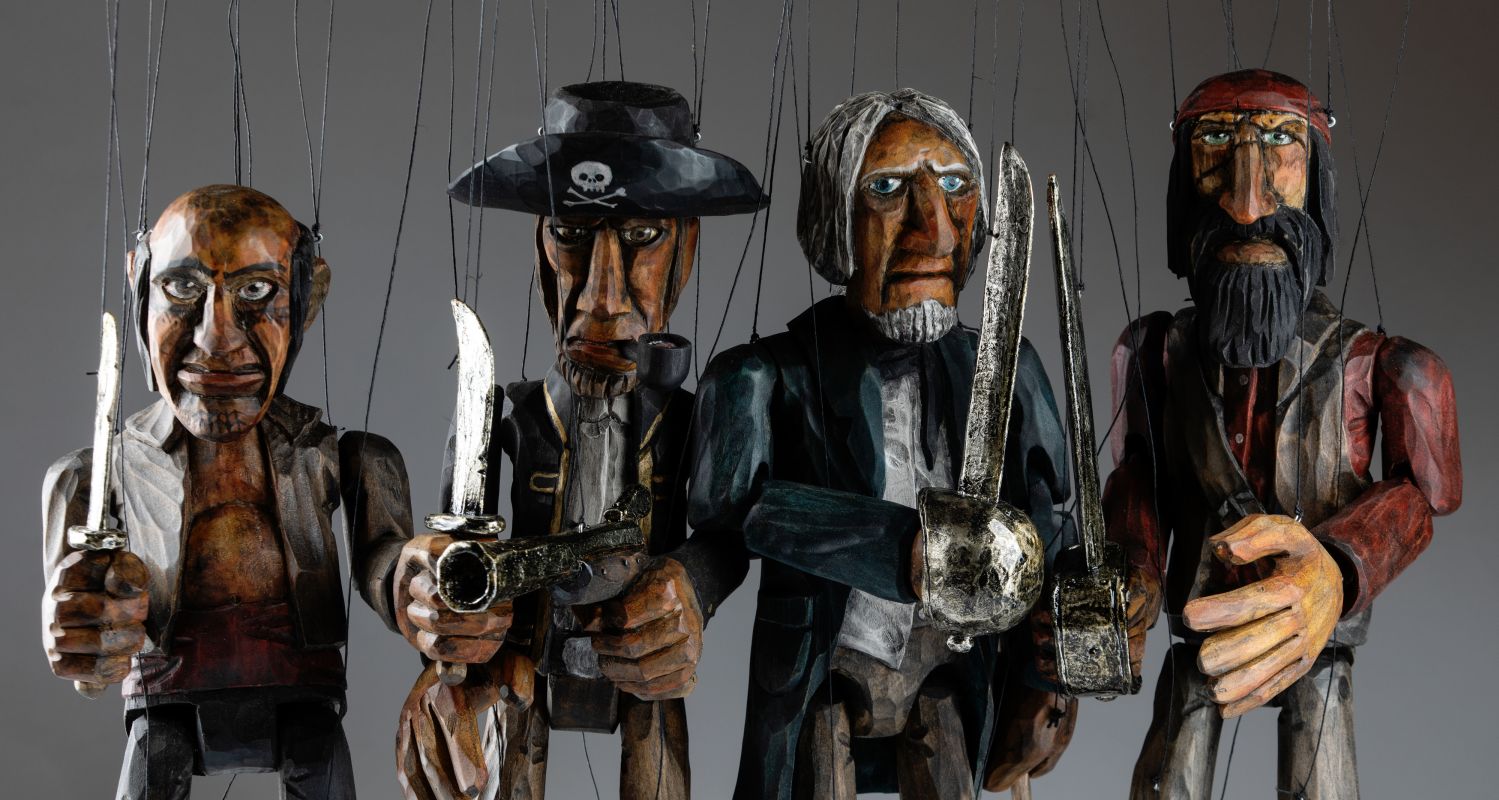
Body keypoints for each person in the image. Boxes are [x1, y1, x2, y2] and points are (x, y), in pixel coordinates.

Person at [686, 89, 1075, 800]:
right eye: (888, 189)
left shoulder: (1006, 371)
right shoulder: (762, 377)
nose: (936, 231)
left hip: (956, 681)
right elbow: (737, 511)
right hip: (822, 682)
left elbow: (1053, 524)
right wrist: (901, 550)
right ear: (833, 216)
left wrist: (1050, 674)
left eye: (955, 186)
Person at [392, 80, 767, 799]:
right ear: (539, 247)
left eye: (642, 238)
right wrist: (445, 647)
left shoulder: (697, 417)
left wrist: (691, 585)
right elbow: (452, 554)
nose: (600, 297)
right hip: (521, 663)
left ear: (686, 247)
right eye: (569, 236)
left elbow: (729, 534)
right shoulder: (503, 413)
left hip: (643, 665)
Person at [1108, 70, 1463, 798]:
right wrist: (1135, 569)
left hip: (1319, 638)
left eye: (1279, 144)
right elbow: (1138, 474)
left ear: (1319, 184)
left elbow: (1420, 497)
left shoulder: (1384, 367)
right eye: (1215, 146)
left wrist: (1337, 568)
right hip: (1200, 624)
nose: (1247, 201)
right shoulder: (1154, 354)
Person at [41, 184, 414, 799]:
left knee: (321, 767)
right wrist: (81, 627)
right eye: (181, 288)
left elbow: (387, 560)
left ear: (309, 297)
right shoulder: (90, 477)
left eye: (258, 291)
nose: (216, 341)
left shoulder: (344, 457)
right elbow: (75, 615)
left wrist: (421, 585)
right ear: (139, 288)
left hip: (300, 683)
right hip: (168, 687)